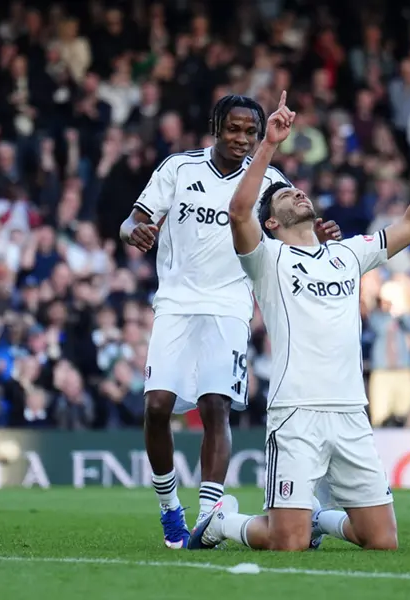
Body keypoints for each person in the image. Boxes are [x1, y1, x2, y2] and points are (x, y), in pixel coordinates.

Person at [189, 92, 410, 551]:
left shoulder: (348, 253)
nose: (296, 192)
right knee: (286, 543)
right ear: (271, 224)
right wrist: (268, 145)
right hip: (296, 412)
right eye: (283, 197)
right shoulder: (267, 260)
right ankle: (221, 521)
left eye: (297, 190)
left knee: (381, 542)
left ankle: (321, 518)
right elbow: (239, 212)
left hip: (352, 412)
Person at [119, 95, 342, 549]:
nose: (241, 139)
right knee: (157, 405)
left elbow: (293, 224)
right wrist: (134, 231)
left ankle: (209, 515)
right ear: (215, 126)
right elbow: (133, 219)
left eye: (249, 132)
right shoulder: (179, 168)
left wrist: (318, 234)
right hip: (176, 302)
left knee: (215, 405)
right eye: (233, 129)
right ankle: (169, 509)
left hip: (230, 304)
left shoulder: (268, 179)